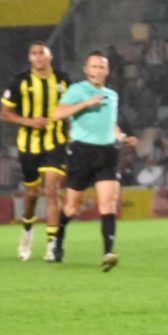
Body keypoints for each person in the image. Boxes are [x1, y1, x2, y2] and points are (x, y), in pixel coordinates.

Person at [52, 51, 138, 271]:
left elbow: (112, 125)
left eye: (101, 67)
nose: (97, 71)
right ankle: (58, 239)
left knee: (107, 204)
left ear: (107, 71)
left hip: (108, 152)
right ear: (86, 69)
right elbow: (57, 114)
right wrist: (85, 104)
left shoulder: (112, 95)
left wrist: (122, 137)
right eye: (94, 66)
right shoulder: (77, 90)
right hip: (82, 153)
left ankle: (108, 253)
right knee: (72, 208)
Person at [0, 41, 71, 262]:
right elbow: (5, 114)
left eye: (42, 53)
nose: (38, 57)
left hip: (56, 143)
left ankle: (52, 245)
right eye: (34, 53)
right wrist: (29, 121)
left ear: (50, 57)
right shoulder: (19, 81)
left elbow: (73, 106)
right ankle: (27, 232)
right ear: (30, 58)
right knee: (31, 195)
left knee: (51, 190)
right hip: (28, 146)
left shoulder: (63, 80)